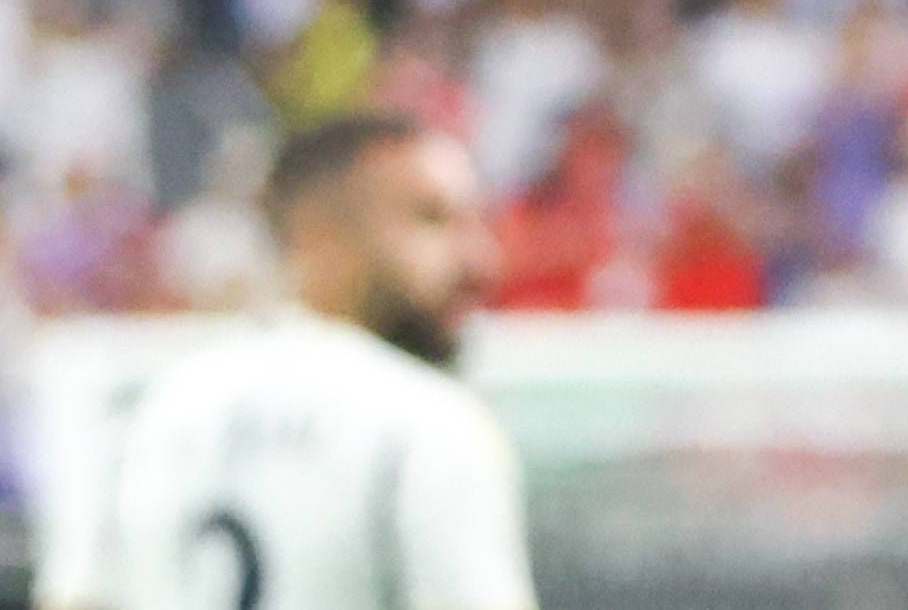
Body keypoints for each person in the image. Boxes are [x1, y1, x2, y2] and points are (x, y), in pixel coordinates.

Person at [35, 111, 536, 610]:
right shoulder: (432, 426)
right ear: (320, 230)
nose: (481, 260)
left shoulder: (151, 408)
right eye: (432, 219)